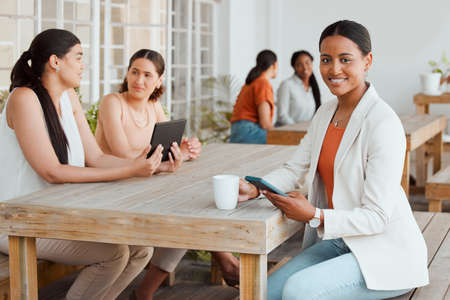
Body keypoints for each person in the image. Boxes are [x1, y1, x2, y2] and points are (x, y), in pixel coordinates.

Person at [238, 20, 429, 300]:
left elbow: (376, 217)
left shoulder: (383, 122)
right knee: (263, 293)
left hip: (386, 251)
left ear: (367, 61)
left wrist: (315, 215)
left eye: (345, 59)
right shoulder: (325, 113)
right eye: (326, 60)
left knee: (298, 292)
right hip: (341, 242)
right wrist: (257, 187)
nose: (334, 69)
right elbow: (295, 168)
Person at [0, 29, 163, 300]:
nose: (83, 65)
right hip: (17, 221)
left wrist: (148, 165)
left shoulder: (69, 97)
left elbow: (96, 158)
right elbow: (52, 171)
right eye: (78, 57)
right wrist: (131, 170)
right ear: (55, 61)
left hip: (55, 215)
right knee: (113, 254)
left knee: (141, 248)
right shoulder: (24, 98)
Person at [95, 49, 239, 300]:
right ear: (127, 74)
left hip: (141, 187)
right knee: (186, 215)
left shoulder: (153, 106)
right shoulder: (112, 102)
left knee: (190, 211)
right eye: (135, 72)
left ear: (159, 81)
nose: (139, 81)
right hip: (112, 189)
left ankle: (145, 293)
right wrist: (161, 165)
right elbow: (123, 153)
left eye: (147, 75)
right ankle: (226, 260)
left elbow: (168, 145)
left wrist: (186, 149)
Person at [229, 50, 278, 144]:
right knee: (286, 140)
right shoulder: (263, 83)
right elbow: (265, 123)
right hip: (248, 132)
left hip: (237, 131)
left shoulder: (252, 82)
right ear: (275, 65)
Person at [276, 50, 321, 126]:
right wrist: (298, 129)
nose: (305, 67)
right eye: (299, 65)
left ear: (312, 64)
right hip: (288, 132)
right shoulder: (287, 85)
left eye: (307, 63)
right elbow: (282, 115)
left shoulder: (313, 87)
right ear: (294, 67)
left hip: (306, 132)